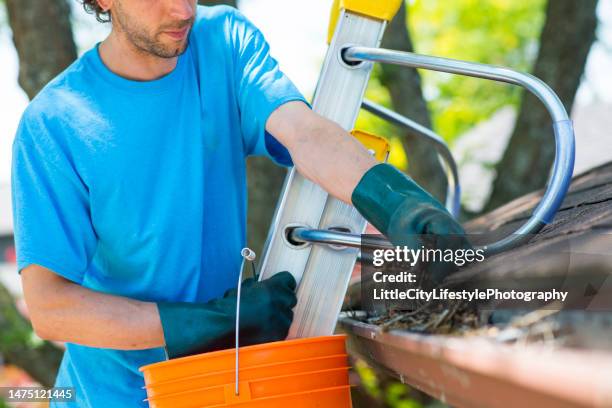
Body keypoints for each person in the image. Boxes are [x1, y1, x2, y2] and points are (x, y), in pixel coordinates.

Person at [10, 0, 466, 406]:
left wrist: (397, 202)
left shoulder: (222, 41)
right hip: (118, 396)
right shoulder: (55, 122)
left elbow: (303, 132)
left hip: (232, 385)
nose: (183, 11)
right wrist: (211, 321)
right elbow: (52, 308)